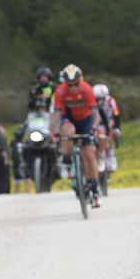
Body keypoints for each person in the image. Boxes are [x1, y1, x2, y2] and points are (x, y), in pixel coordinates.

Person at [52, 65, 104, 208]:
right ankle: (67, 159)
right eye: (70, 84)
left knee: (89, 154)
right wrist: (55, 131)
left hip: (85, 120)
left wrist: (94, 127)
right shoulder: (60, 91)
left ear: (80, 80)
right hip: (68, 119)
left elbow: (95, 112)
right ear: (65, 82)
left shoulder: (86, 89)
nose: (73, 87)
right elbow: (56, 113)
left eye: (76, 83)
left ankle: (94, 185)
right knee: (67, 131)